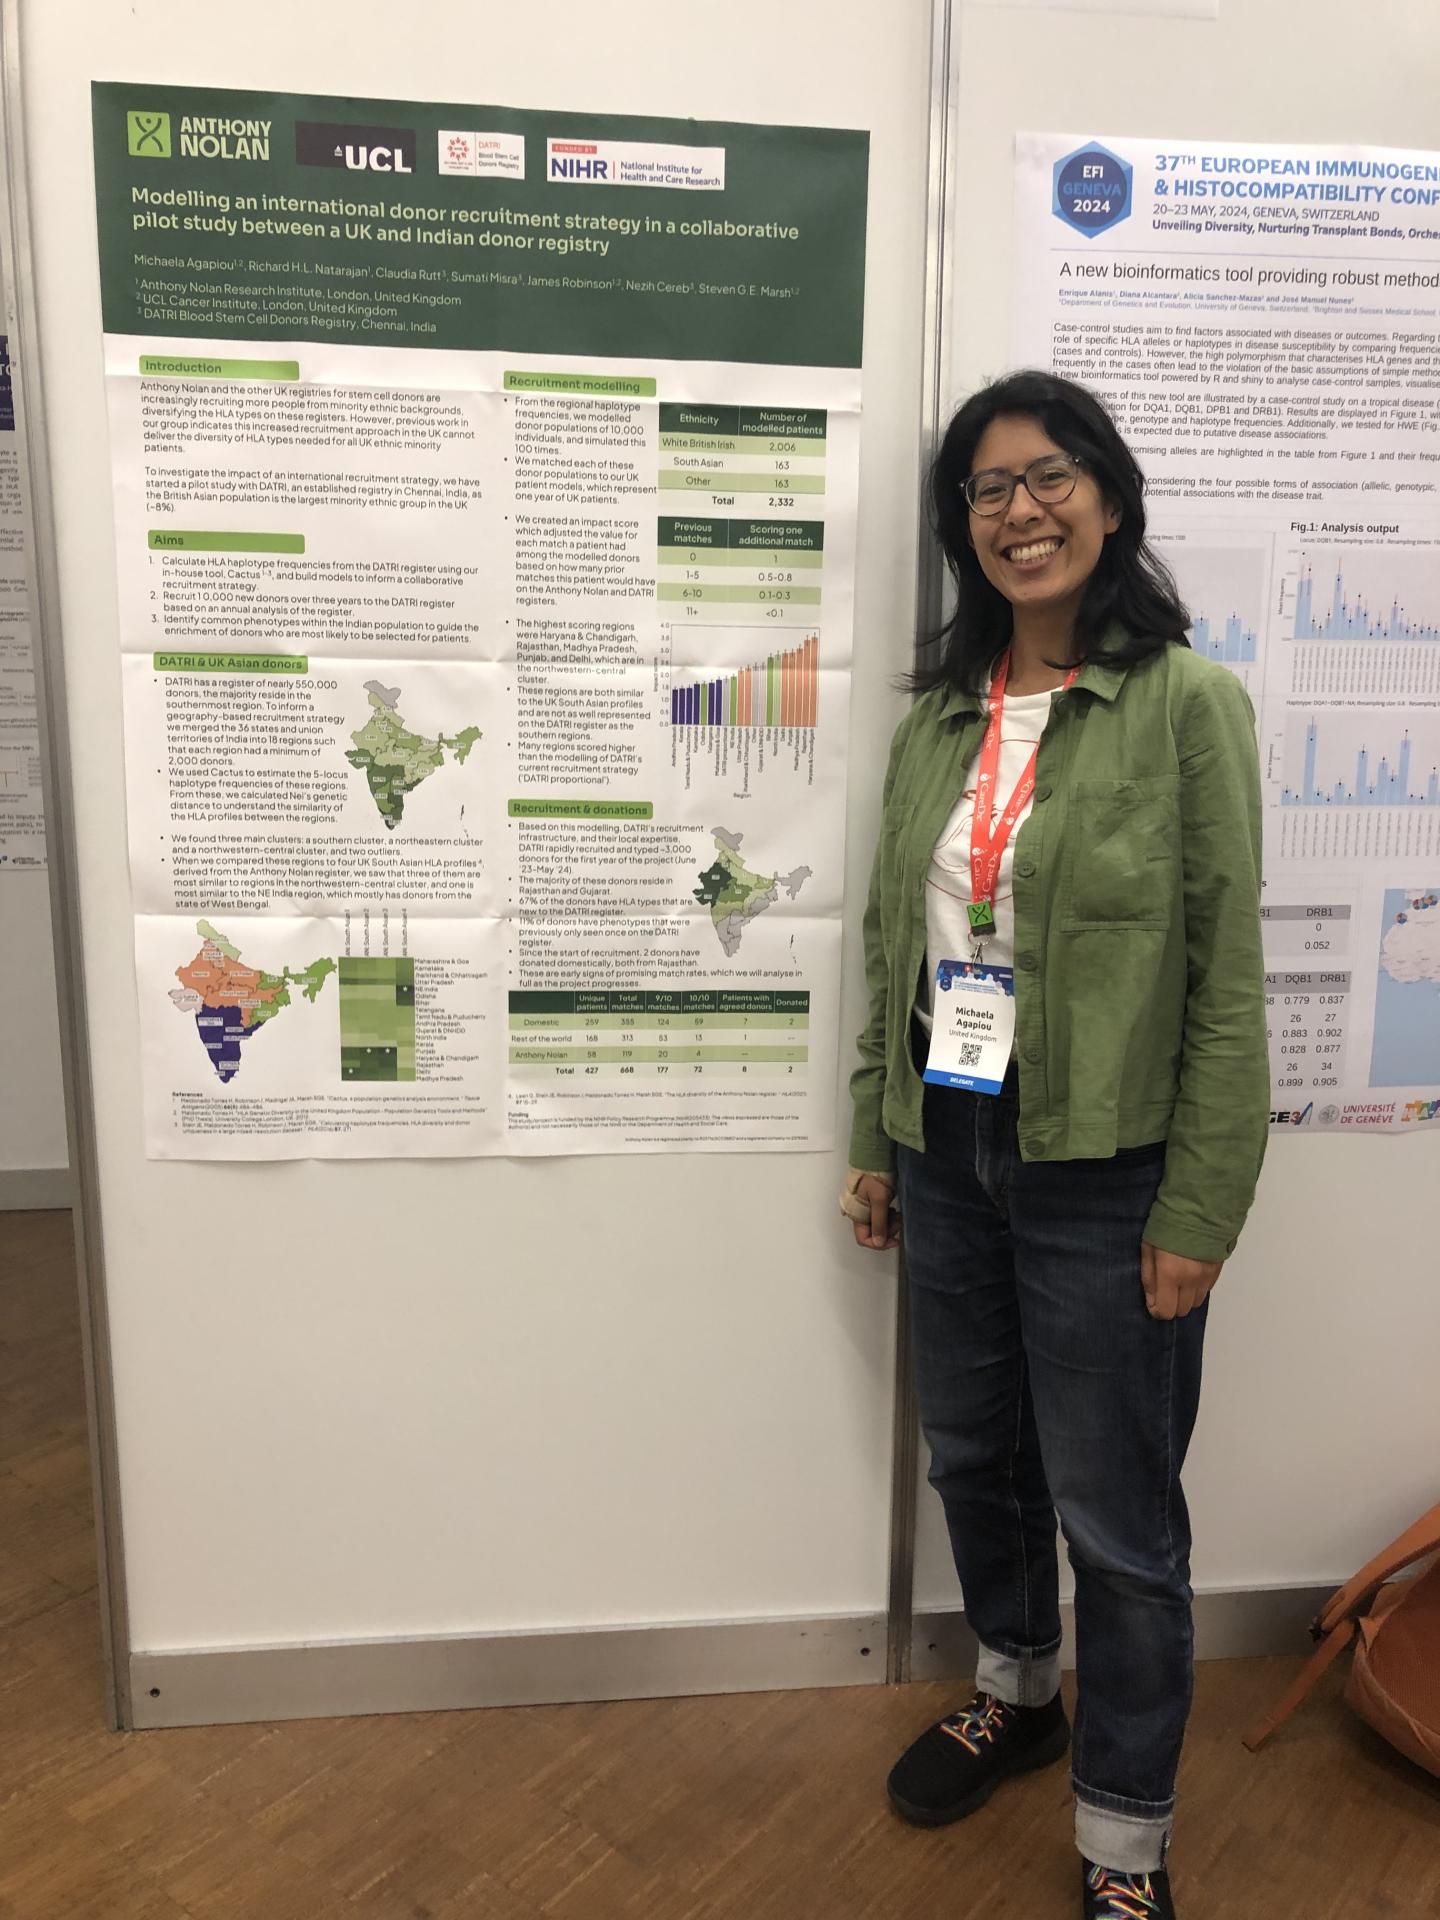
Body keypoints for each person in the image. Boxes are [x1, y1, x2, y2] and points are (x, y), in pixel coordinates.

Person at [842, 370, 1268, 1920]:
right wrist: (874, 1137)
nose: (1019, 510)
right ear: (964, 529)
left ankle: (1125, 1839)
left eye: (1048, 475)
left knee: (1123, 1524)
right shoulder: (940, 720)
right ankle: (1017, 1694)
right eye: (987, 489)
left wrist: (1203, 1204)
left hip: (1110, 1172)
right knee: (974, 1458)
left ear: (1107, 493)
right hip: (947, 1137)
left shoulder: (1186, 706)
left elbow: (1226, 978)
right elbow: (894, 940)